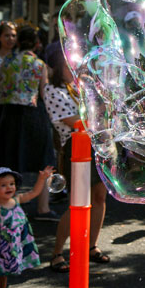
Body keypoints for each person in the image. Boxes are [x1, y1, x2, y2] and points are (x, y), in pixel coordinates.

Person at [44, 54, 110, 273]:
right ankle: (57, 253)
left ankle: (91, 246)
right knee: (77, 203)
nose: (73, 69)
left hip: (97, 144)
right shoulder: (53, 91)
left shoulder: (83, 88)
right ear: (58, 67)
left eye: (76, 65)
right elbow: (72, 121)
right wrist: (103, 119)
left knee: (99, 197)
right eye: (68, 66)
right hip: (75, 149)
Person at [0, 27, 58, 221]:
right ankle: (43, 207)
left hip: (8, 115)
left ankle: (8, 205)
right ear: (36, 43)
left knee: (10, 159)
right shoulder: (38, 64)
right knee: (44, 160)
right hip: (33, 115)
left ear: (18, 42)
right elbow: (44, 93)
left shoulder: (6, 61)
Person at [0, 165, 54, 288]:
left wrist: (42, 178)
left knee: (4, 271)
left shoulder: (16, 199)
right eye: (3, 185)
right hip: (1, 245)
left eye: (11, 184)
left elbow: (35, 192)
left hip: (12, 245)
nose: (9, 187)